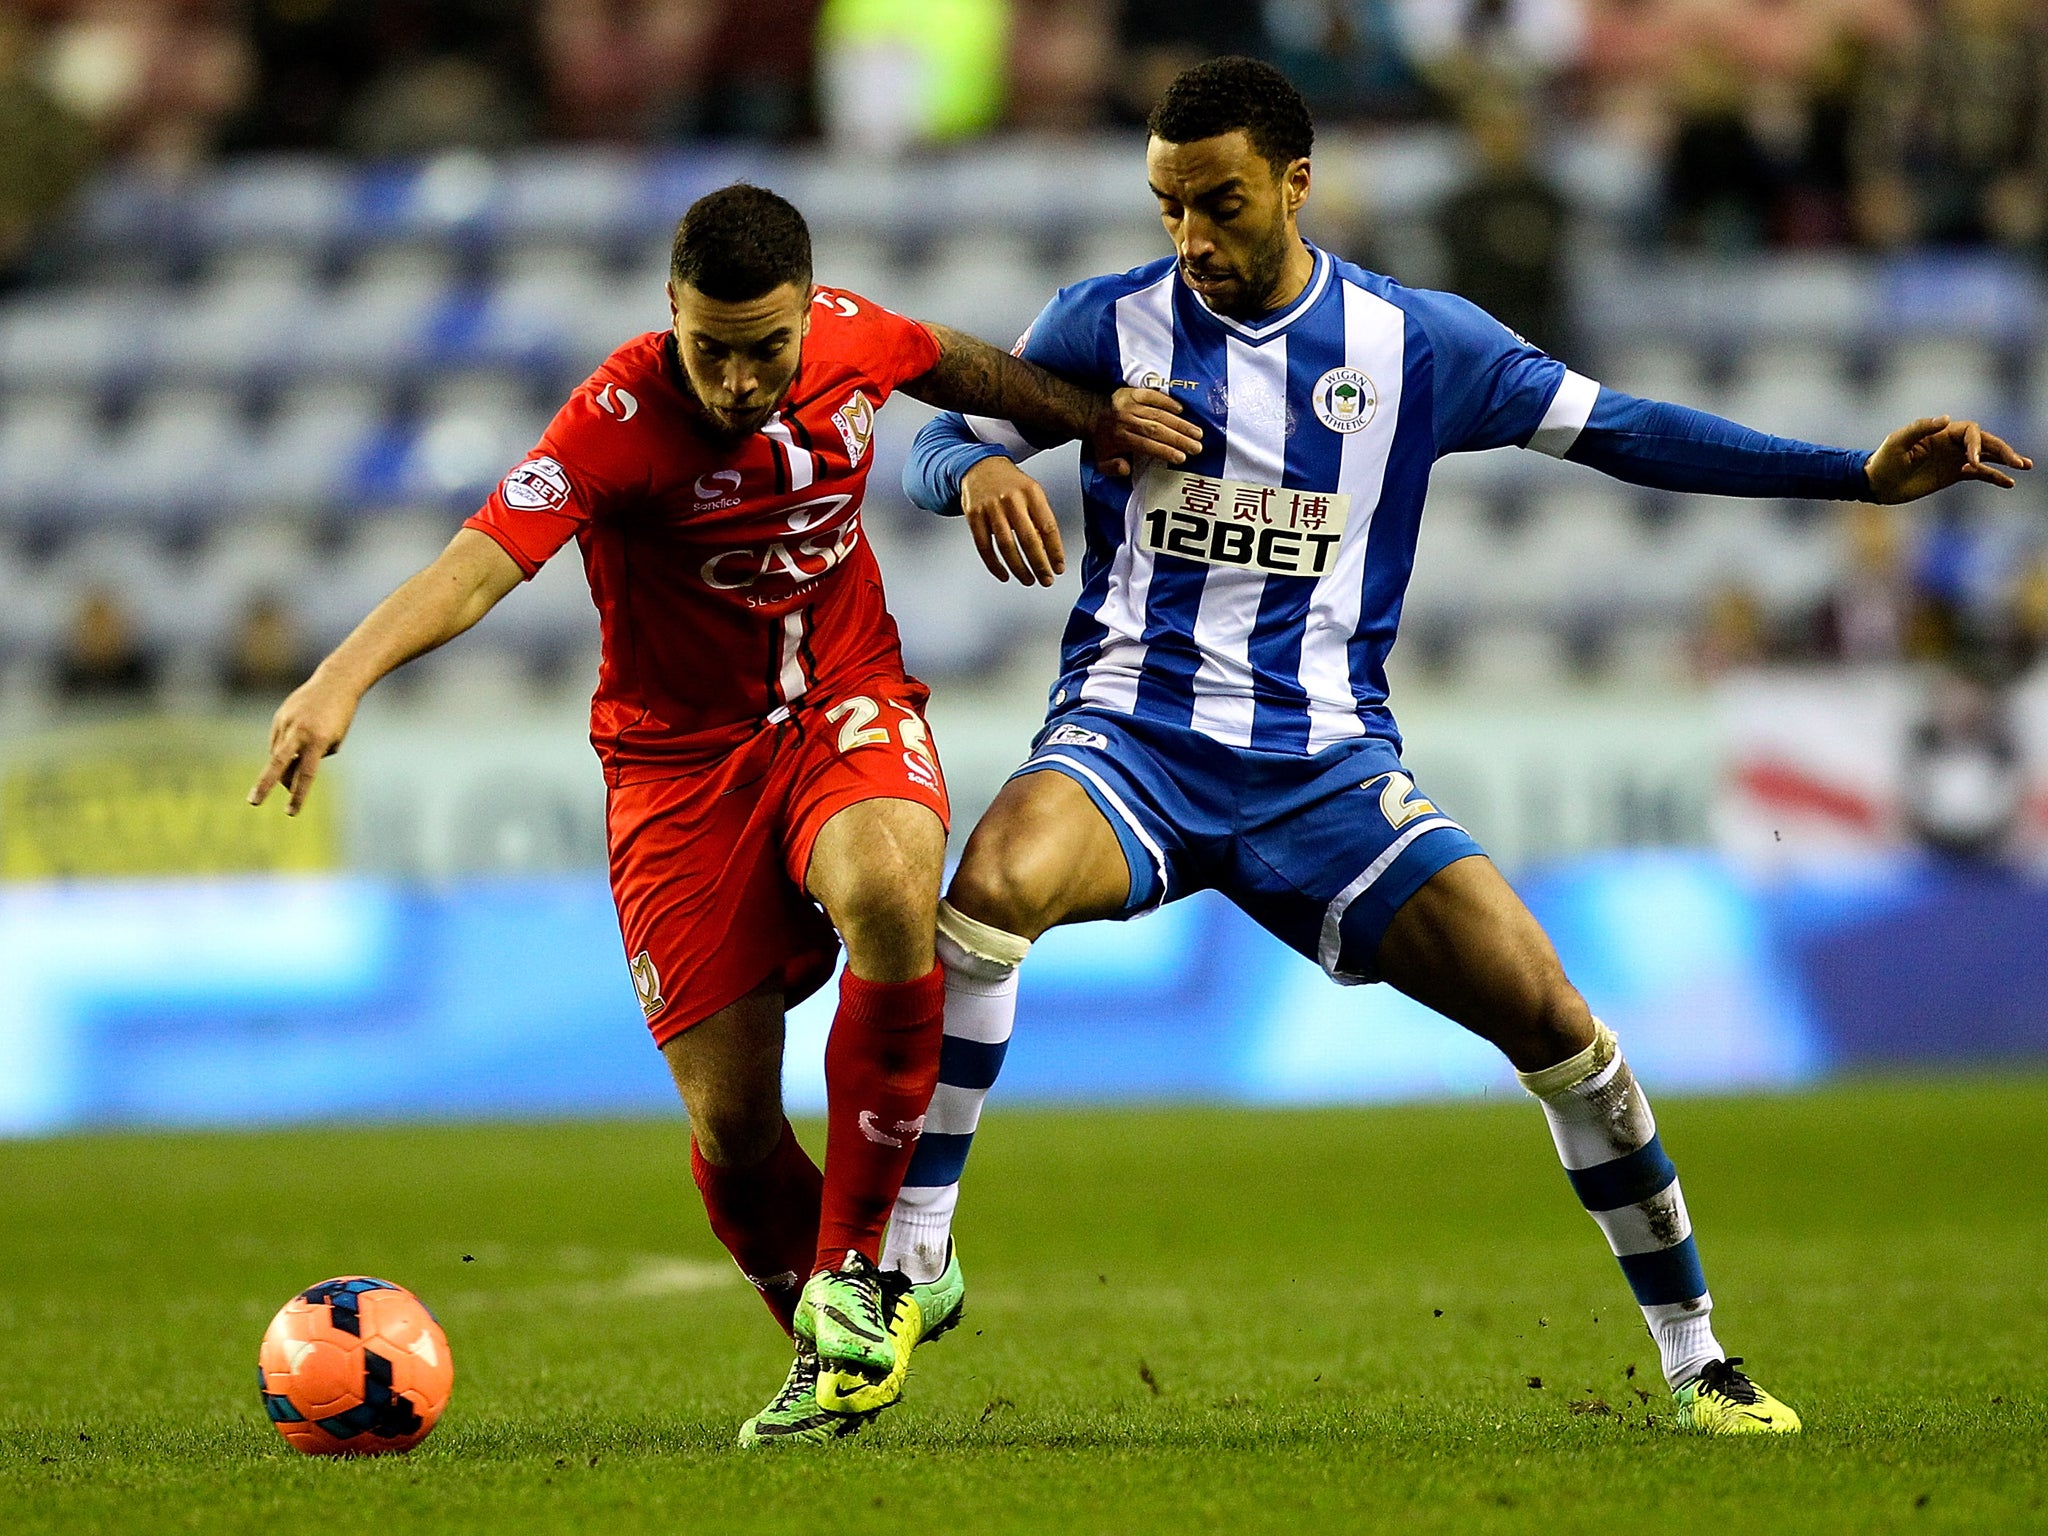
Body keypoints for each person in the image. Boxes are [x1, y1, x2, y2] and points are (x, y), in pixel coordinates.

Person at [896, 56, 2030, 1436]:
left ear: (1296, 185)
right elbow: (933, 442)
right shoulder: (1100, 324)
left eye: (1221, 202)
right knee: (988, 895)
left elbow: (1625, 432)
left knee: (1560, 1030)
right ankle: (911, 1264)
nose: (1191, 237)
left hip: (1329, 773)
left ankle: (1697, 1357)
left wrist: (1852, 473)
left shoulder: (1415, 343)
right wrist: (989, 467)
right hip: (1133, 737)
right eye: (1166, 205)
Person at [249, 183, 1199, 1446]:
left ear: (808, 311)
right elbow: (481, 560)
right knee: (733, 1126)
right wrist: (339, 676)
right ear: (670, 314)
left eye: (769, 345)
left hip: (842, 704)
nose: (745, 378)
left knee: (885, 886)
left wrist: (1089, 420)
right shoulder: (612, 421)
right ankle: (826, 1326)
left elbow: (954, 360)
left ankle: (873, 1269)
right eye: (714, 348)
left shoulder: (853, 336)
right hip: (674, 768)